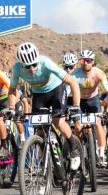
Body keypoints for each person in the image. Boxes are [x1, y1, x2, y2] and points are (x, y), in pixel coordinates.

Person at [9, 42, 82, 170]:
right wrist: (11, 108)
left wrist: (76, 105)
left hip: (56, 90)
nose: (31, 69)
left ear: (37, 60)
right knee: (40, 130)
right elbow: (12, 90)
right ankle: (43, 169)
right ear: (21, 64)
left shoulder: (45, 62)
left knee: (57, 121)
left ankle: (73, 148)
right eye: (27, 67)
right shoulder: (16, 69)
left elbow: (72, 82)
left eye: (34, 65)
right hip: (39, 95)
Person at [71, 49, 108, 167]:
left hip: (93, 100)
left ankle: (101, 153)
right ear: (80, 62)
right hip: (79, 101)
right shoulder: (74, 74)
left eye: (88, 60)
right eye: (83, 60)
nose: (85, 63)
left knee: (98, 123)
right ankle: (77, 152)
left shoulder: (98, 74)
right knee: (78, 125)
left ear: (93, 62)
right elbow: (66, 91)